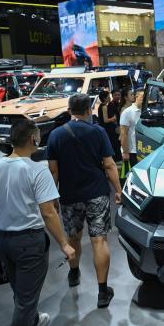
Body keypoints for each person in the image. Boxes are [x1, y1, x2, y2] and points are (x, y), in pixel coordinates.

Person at [0, 120, 75, 326]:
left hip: (3, 241)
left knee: (20, 291)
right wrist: (64, 244)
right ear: (34, 139)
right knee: (25, 302)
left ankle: (33, 323)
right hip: (29, 243)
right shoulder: (37, 170)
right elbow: (48, 212)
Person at [46, 93, 122, 308]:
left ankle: (73, 273)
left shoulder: (56, 135)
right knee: (99, 241)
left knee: (73, 237)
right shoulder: (98, 132)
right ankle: (102, 292)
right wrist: (118, 190)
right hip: (97, 193)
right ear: (89, 110)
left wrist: (52, 198)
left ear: (69, 110)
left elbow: (53, 171)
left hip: (69, 196)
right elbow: (109, 164)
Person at [120, 89, 143, 169]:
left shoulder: (145, 111)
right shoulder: (127, 112)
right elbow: (123, 133)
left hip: (143, 149)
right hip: (132, 151)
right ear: (136, 96)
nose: (145, 99)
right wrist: (125, 152)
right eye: (143, 97)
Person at [98, 90, 120, 159]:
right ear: (104, 98)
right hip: (108, 129)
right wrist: (114, 118)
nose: (110, 98)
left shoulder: (102, 106)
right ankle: (116, 159)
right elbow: (106, 120)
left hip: (106, 128)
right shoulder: (104, 106)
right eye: (108, 96)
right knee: (114, 143)